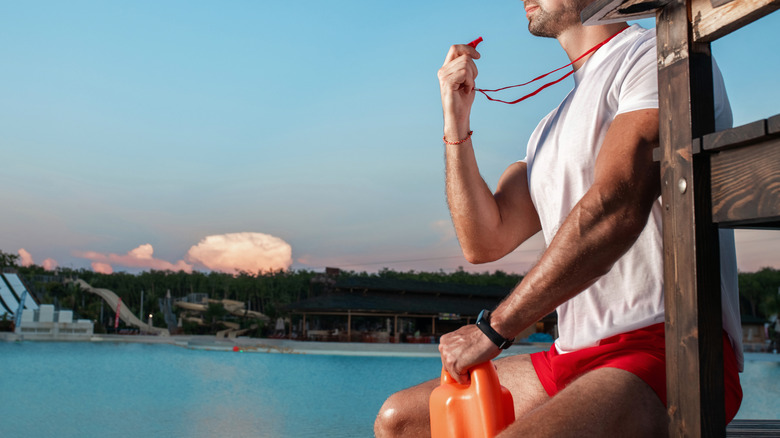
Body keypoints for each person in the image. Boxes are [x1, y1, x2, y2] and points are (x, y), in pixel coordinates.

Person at [374, 0, 744, 436]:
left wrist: (492, 330)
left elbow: (615, 206)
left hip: (669, 346)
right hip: (570, 356)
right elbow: (483, 240)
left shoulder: (656, 56)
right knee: (399, 421)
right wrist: (455, 121)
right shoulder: (549, 128)